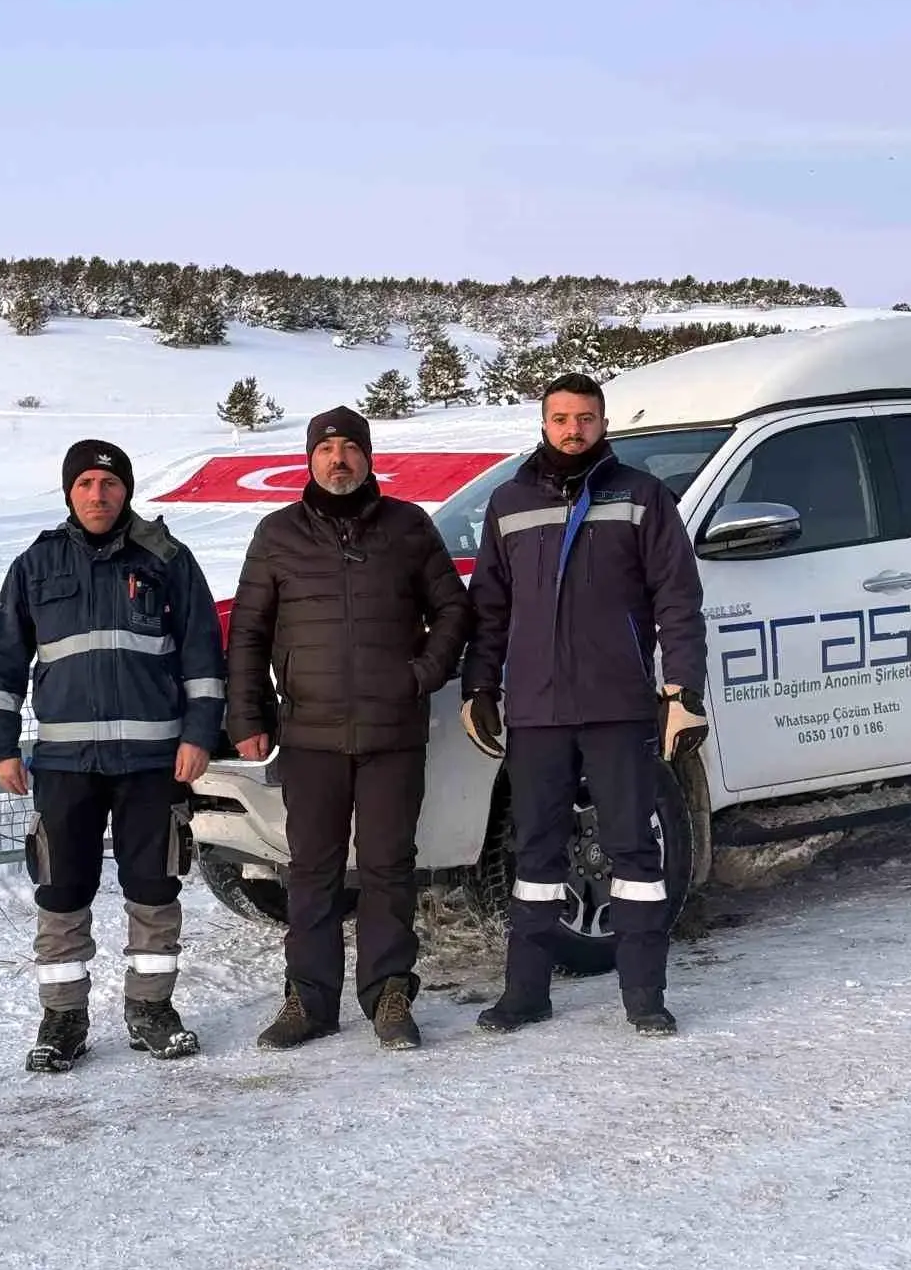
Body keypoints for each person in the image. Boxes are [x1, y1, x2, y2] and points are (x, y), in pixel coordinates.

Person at [460, 372, 707, 1036]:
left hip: (617, 705)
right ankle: (526, 992)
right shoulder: (508, 502)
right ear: (544, 424)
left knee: (633, 852)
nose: (574, 430)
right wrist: (478, 685)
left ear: (604, 423)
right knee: (536, 853)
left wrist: (683, 691)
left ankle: (644, 995)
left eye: (586, 418)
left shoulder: (642, 496)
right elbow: (489, 605)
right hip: (536, 711)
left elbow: (678, 599)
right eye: (562, 418)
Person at [0, 439, 226, 1072]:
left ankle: (151, 1007)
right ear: (69, 491)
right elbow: (2, 663)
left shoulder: (167, 559)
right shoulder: (36, 565)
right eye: (86, 483)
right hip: (64, 765)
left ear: (127, 491)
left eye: (109, 484)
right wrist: (0, 748)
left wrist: (199, 734)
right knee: (61, 889)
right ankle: (63, 1018)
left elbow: (202, 656)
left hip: (152, 764)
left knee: (153, 885)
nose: (98, 494)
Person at [226, 406, 469, 1051]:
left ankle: (389, 993)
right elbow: (249, 632)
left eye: (350, 448)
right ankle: (309, 1000)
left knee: (390, 865)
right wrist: (246, 716)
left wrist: (422, 674)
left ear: (368, 456)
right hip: (309, 734)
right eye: (326, 448)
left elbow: (453, 609)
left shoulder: (408, 527)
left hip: (393, 732)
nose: (338, 459)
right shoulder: (277, 534)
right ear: (309, 459)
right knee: (311, 870)